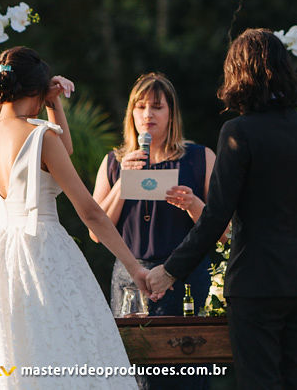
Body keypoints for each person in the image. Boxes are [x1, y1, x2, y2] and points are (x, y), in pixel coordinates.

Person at [0, 46, 147, 389]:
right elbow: (91, 212)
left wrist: (53, 105)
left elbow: (61, 151)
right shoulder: (40, 137)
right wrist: (135, 267)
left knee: (13, 353)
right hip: (43, 251)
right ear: (37, 92)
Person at [146, 29, 297, 390]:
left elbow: (216, 214)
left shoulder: (239, 131)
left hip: (257, 282)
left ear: (238, 75)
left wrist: (170, 271)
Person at [92, 71, 216, 317]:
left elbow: (222, 230)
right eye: (141, 107)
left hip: (186, 278)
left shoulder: (200, 158)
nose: (148, 114)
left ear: (171, 114)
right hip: (131, 281)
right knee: (133, 355)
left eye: (157, 107)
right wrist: (123, 181)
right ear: (131, 114)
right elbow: (96, 232)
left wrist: (192, 204)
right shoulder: (114, 162)